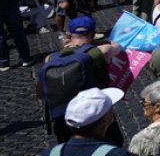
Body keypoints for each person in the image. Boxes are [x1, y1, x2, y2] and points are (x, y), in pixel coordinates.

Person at [39, 16, 125, 144]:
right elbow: (117, 46)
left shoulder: (50, 59)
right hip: (96, 114)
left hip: (64, 117)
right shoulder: (100, 51)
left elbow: (41, 93)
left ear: (69, 35)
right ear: (94, 34)